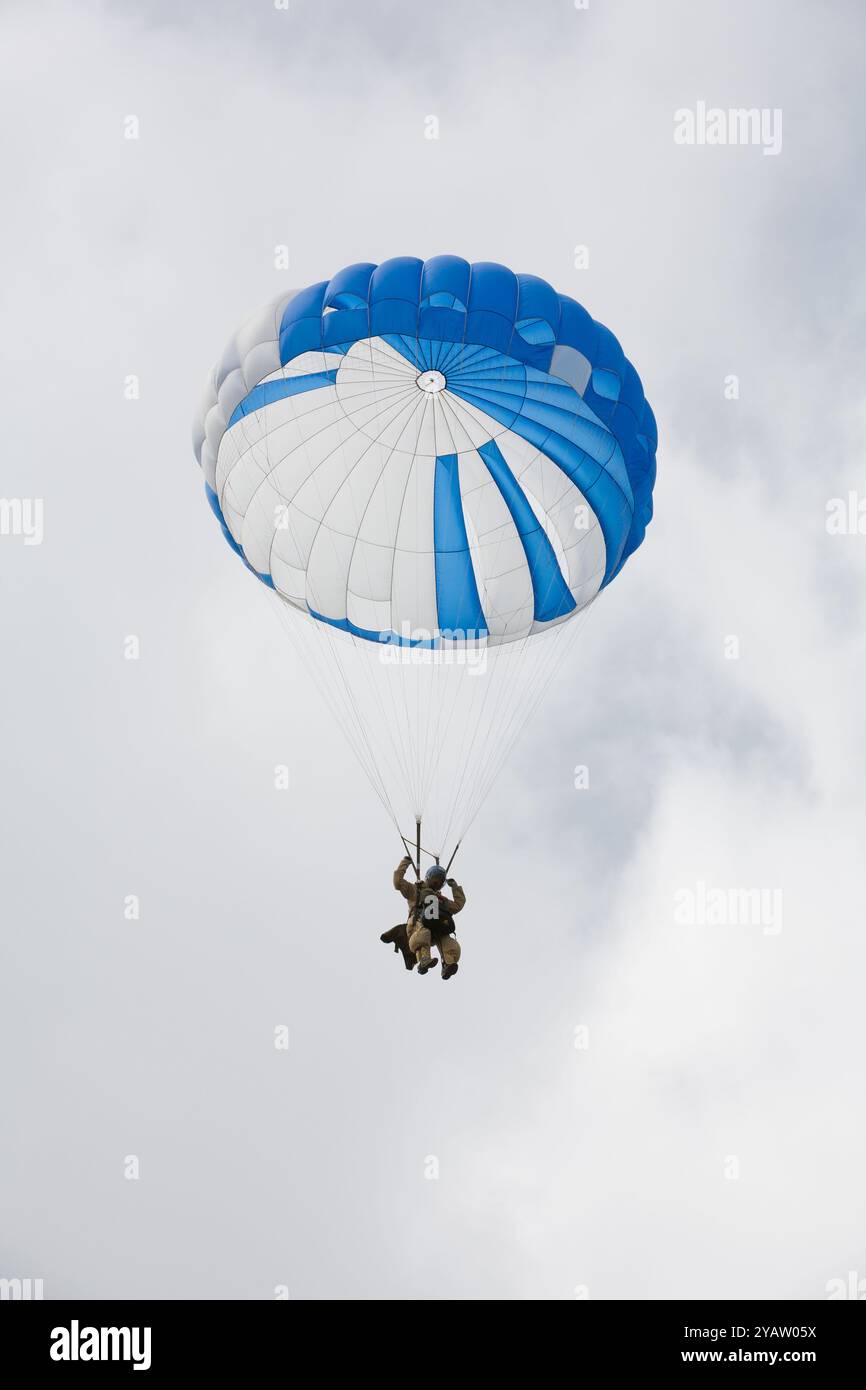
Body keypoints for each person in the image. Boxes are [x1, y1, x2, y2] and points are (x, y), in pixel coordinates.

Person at [381, 856, 465, 979]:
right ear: (428, 877)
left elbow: (457, 906)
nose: (437, 882)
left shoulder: (441, 900)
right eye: (435, 878)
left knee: (449, 942)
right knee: (423, 932)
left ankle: (448, 964)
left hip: (436, 926)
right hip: (417, 925)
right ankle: (423, 960)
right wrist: (405, 863)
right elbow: (398, 883)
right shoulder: (416, 890)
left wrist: (455, 887)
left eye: (440, 881)